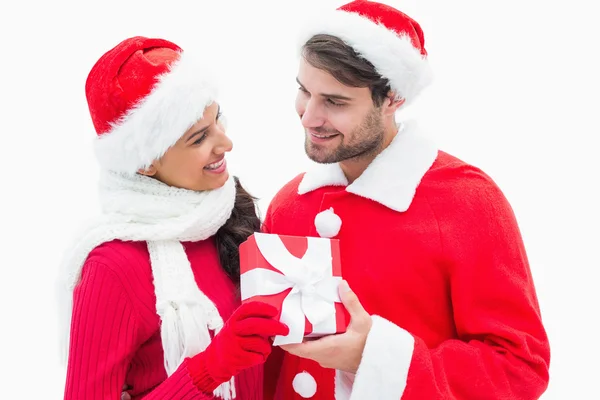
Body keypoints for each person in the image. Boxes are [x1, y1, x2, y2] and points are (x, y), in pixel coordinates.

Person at [261, 1, 551, 399]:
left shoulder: (469, 201)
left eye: (335, 101)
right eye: (304, 91)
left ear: (393, 98)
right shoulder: (288, 204)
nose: (309, 116)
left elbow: (520, 367)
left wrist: (375, 358)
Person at [58, 36, 288, 400]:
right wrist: (210, 368)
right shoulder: (113, 266)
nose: (225, 143)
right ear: (146, 163)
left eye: (218, 120)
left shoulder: (231, 218)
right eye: (199, 138)